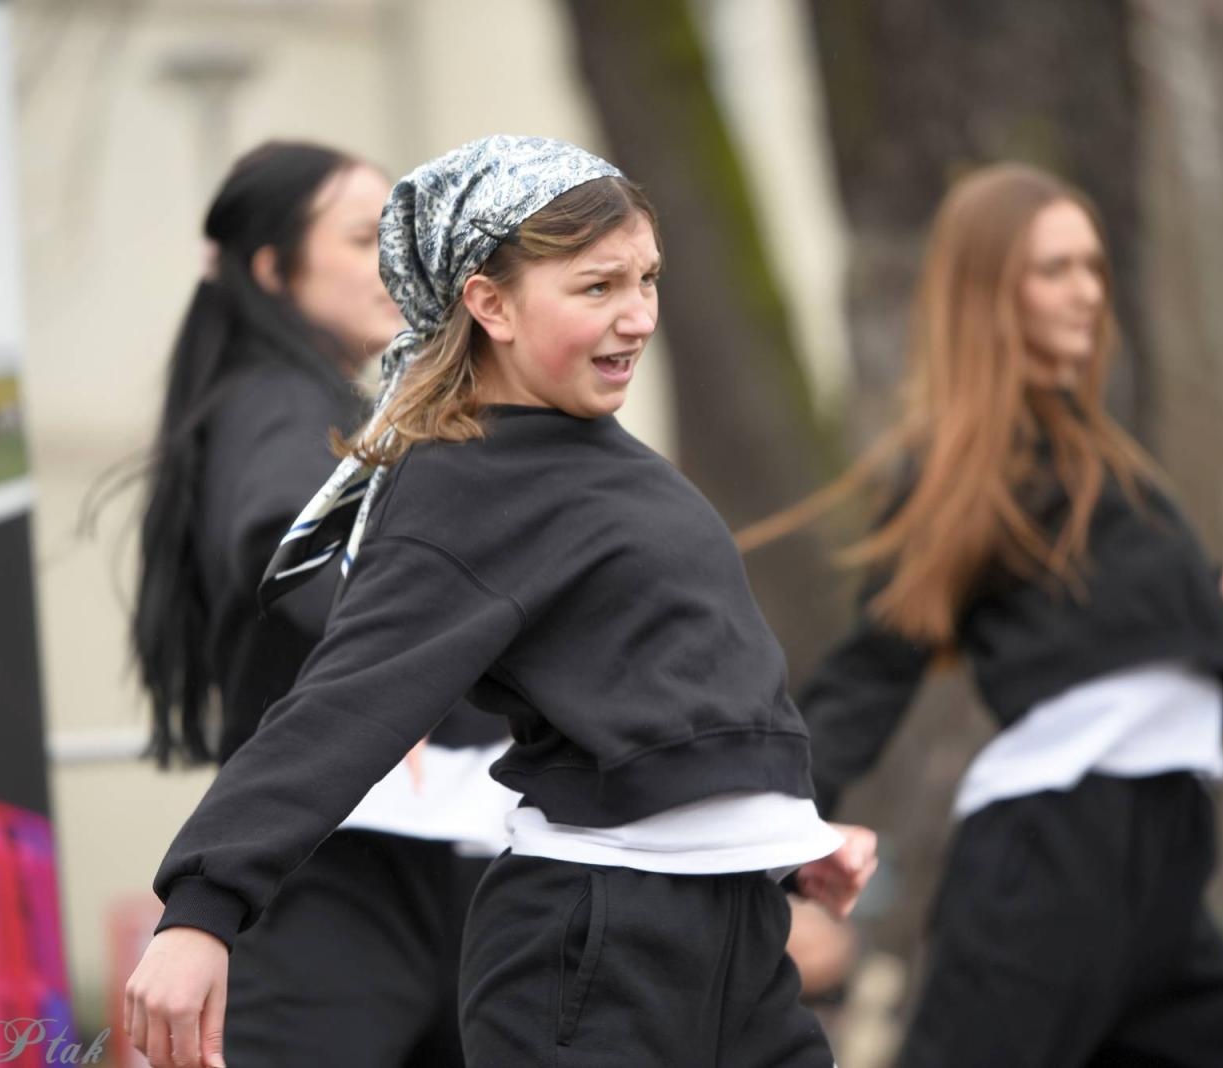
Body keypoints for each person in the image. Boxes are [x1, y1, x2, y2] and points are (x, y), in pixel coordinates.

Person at [123, 134, 878, 1068]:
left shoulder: (616, 471)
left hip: (734, 938)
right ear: (490, 303)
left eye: (646, 279)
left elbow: (686, 688)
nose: (638, 315)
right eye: (598, 287)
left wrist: (778, 827)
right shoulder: (467, 484)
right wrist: (201, 910)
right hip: (592, 951)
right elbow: (341, 702)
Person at [740, 161, 1223, 1068]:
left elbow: (1092, 599)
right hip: (1054, 863)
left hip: (1158, 867)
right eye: (1055, 269)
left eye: (1094, 267)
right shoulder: (968, 472)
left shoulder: (1093, 458)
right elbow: (872, 671)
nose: (1087, 293)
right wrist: (768, 834)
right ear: (993, 292)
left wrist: (1208, 587)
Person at [124, 140, 517, 1066]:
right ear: (272, 268)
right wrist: (388, 681)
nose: (394, 263)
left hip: (392, 853)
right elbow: (281, 545)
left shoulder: (306, 398)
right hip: (345, 866)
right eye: (360, 239)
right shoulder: (273, 401)